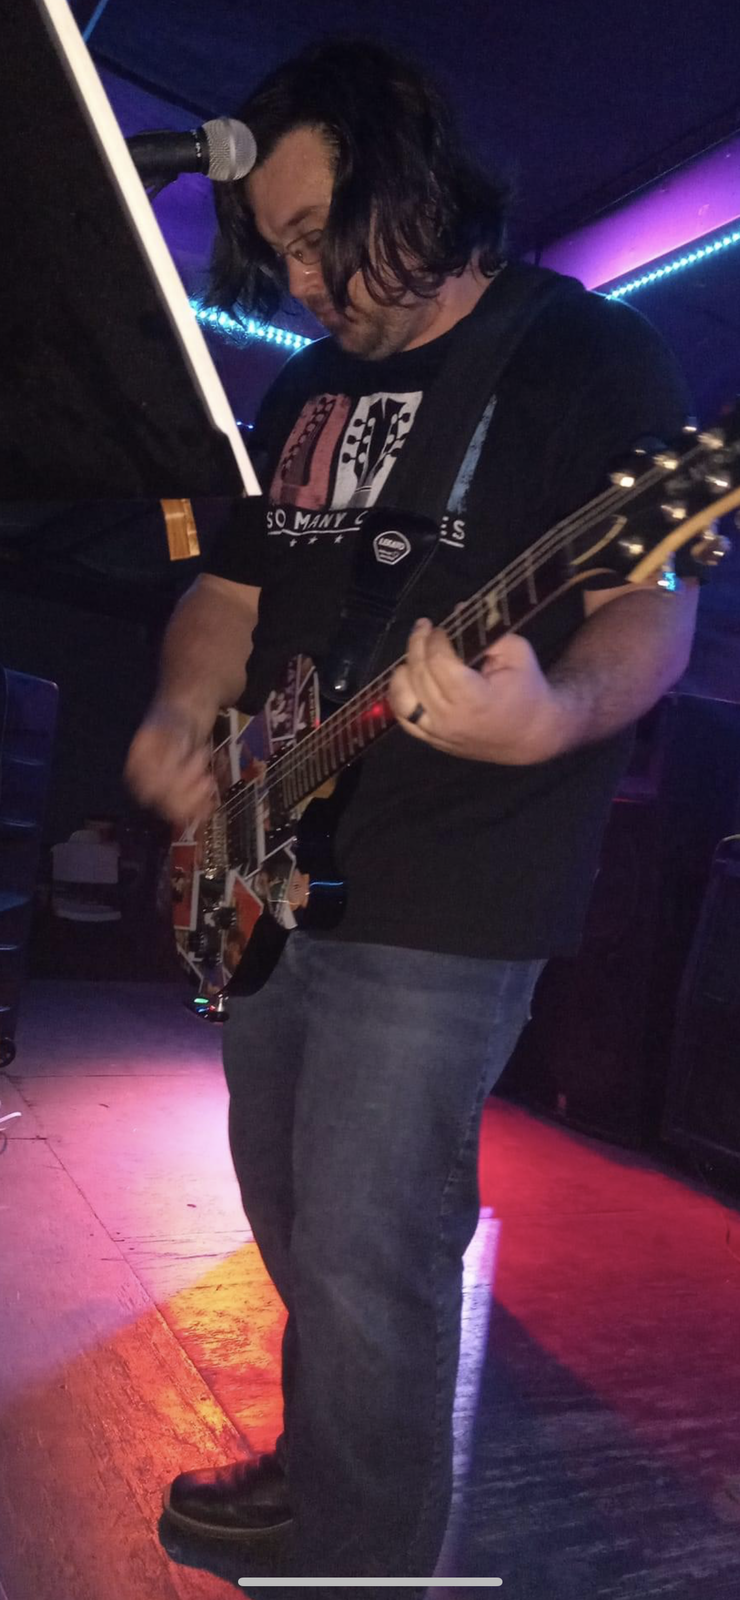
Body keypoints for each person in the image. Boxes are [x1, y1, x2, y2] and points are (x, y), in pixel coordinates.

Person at [125, 39, 698, 1582]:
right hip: (272, 862)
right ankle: (326, 1464)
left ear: (420, 180)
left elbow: (652, 609)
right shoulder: (309, 386)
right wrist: (181, 721)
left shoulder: (588, 361)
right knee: (290, 1213)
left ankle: (360, 1558)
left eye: (324, 237)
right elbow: (226, 594)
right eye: (282, 254)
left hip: (455, 888)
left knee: (372, 1245)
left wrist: (551, 713)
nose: (307, 284)